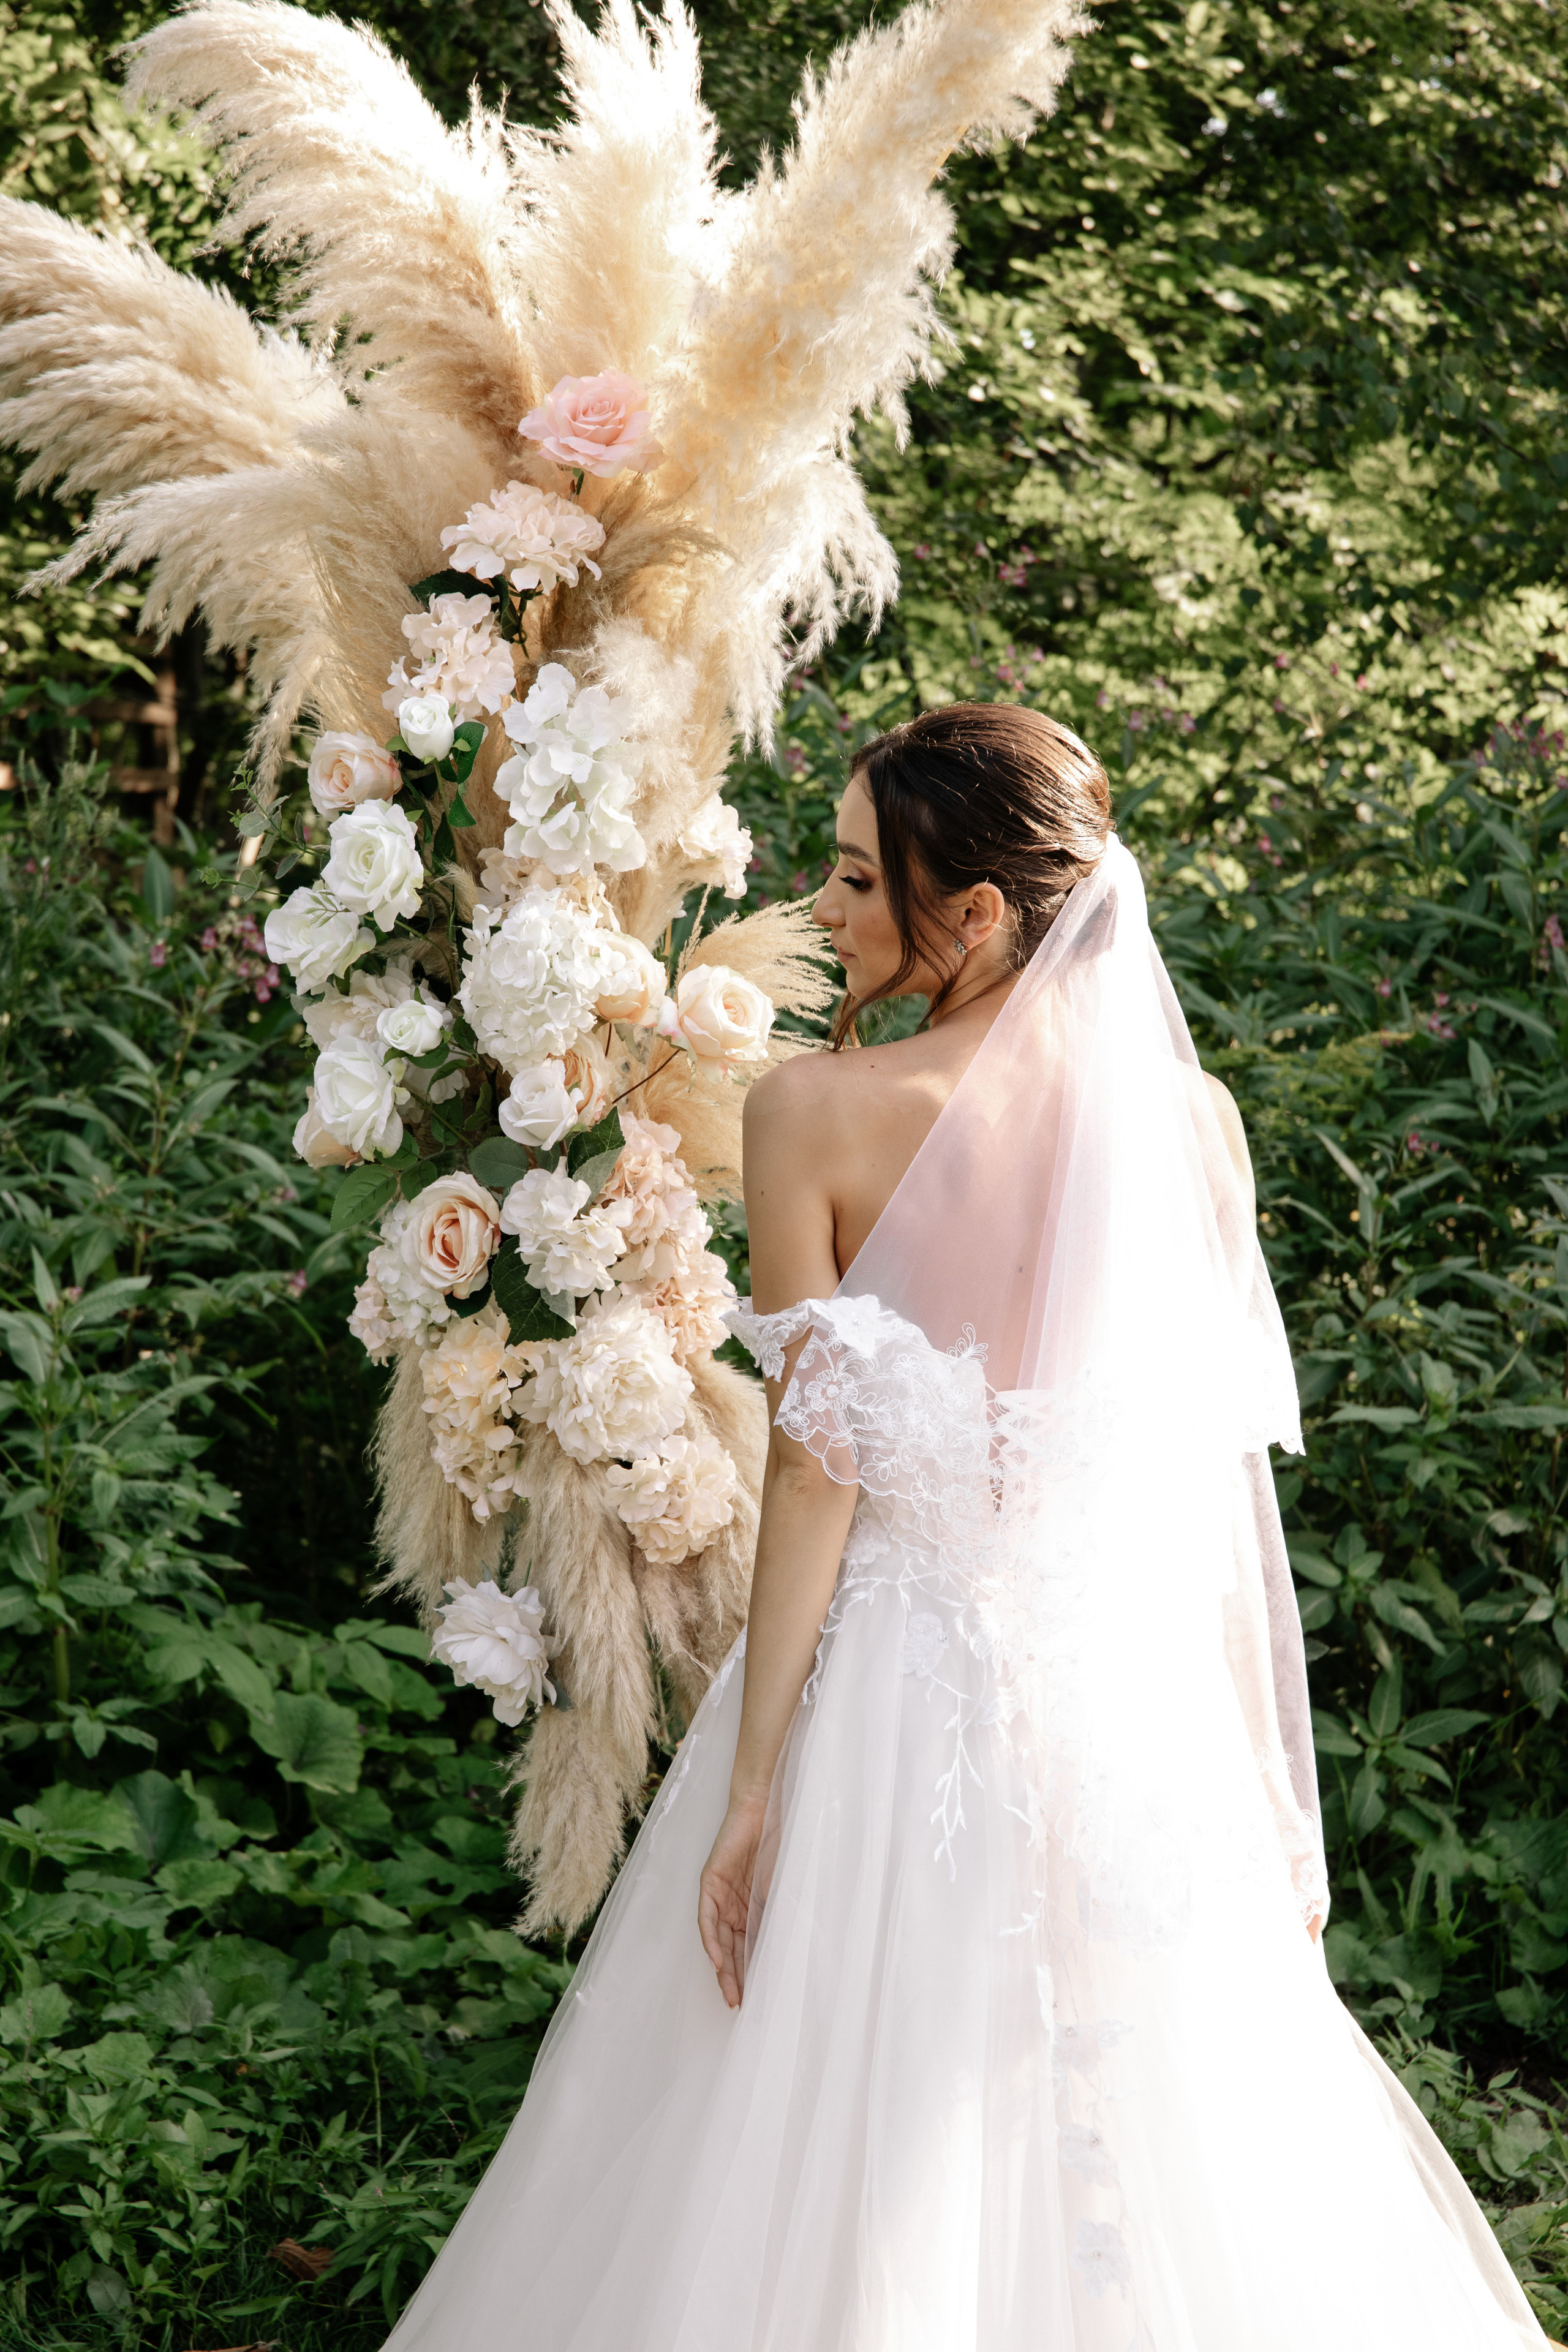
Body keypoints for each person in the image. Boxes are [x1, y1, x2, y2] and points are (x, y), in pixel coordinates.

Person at [382, 704, 1548, 2351]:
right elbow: (1211, 1489)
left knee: (823, 2117)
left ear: (980, 912)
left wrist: (756, 1783)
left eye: (864, 879)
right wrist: (1265, 1786)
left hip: (895, 1702)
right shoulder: (1191, 1125)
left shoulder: (818, 1111)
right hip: (1130, 1701)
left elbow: (819, 1471)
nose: (833, 910)